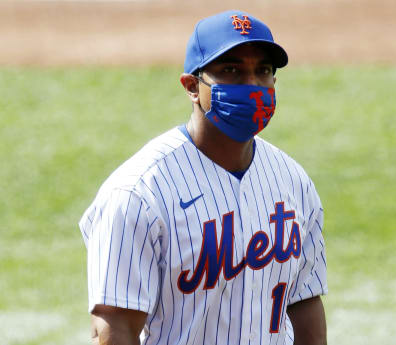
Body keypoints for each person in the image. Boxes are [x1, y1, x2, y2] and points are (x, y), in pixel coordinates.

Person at [79, 10, 327, 345]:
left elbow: (305, 303)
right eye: (232, 71)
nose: (251, 85)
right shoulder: (138, 194)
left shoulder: (293, 182)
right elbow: (114, 327)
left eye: (263, 71)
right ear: (192, 86)